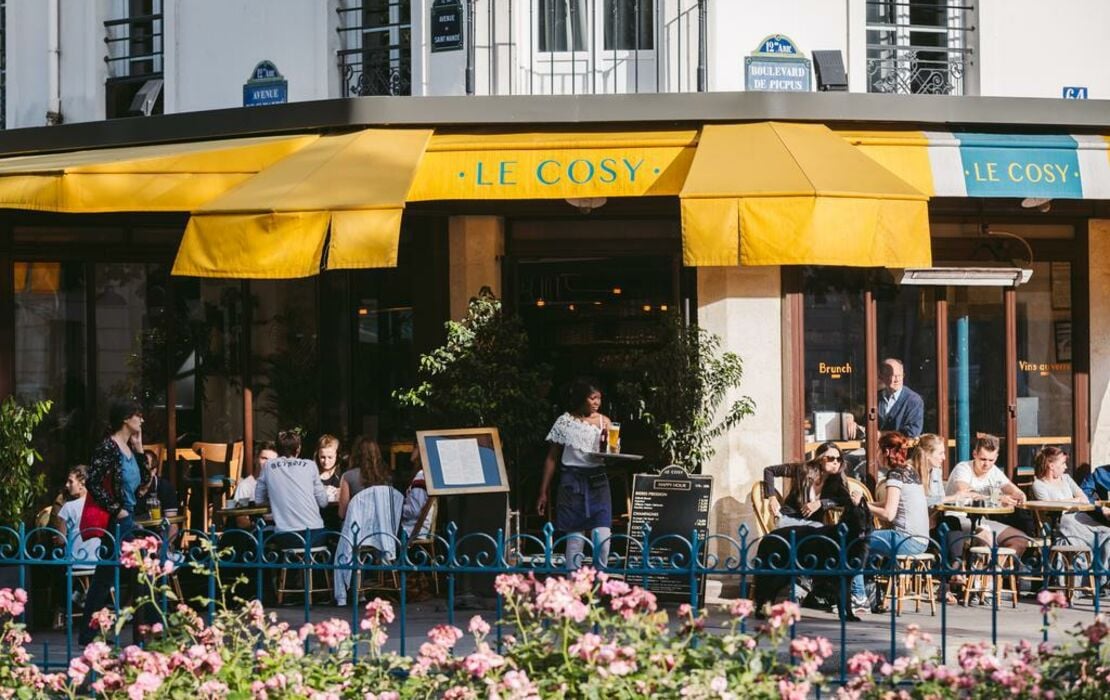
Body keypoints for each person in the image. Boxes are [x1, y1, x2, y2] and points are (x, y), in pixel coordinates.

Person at [78, 398, 150, 644]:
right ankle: (142, 630)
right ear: (125, 419)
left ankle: (91, 633)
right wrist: (115, 508)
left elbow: (144, 482)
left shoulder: (130, 448)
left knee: (108, 574)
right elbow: (93, 482)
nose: (141, 419)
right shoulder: (109, 447)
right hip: (118, 520)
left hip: (128, 515)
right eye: (137, 415)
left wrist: (140, 449)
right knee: (135, 571)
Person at [537, 378, 614, 570]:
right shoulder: (565, 422)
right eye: (592, 398)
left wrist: (613, 451)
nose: (597, 402)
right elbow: (552, 458)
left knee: (603, 540)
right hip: (572, 482)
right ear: (581, 399)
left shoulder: (605, 422)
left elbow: (611, 454)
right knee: (575, 541)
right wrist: (543, 492)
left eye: (599, 398)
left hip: (598, 482)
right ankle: (572, 589)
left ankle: (599, 584)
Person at [851, 460, 931, 616]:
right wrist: (865, 503)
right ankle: (872, 597)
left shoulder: (895, 474)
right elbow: (887, 503)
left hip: (906, 540)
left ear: (886, 452)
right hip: (921, 540)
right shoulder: (911, 472)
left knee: (853, 543)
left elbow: (889, 514)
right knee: (867, 547)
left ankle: (859, 598)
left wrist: (862, 505)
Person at [945, 434, 1029, 559]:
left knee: (1020, 540)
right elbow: (966, 492)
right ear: (974, 454)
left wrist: (1020, 495)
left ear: (996, 457)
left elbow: (1010, 488)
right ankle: (984, 575)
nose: (987, 465)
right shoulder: (963, 468)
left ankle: (995, 573)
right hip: (957, 520)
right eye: (983, 459)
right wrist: (999, 498)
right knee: (986, 538)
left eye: (991, 460)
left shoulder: (993, 471)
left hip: (981, 521)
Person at [1032, 447, 1110, 581]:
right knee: (1071, 533)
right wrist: (1074, 500)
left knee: (1107, 534)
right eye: (1062, 463)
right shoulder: (1039, 485)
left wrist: (1069, 502)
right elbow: (1050, 506)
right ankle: (1081, 580)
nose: (1066, 467)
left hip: (1079, 518)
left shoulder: (1067, 478)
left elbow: (1084, 498)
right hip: (1058, 522)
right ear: (1051, 465)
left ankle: (1100, 580)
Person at [254, 429, 330, 549]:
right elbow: (323, 503)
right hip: (315, 535)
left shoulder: (268, 466)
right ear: (298, 449)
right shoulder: (310, 465)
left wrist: (278, 501)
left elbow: (258, 501)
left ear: (277, 450)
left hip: (288, 536)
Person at [762, 442, 853, 530]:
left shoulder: (837, 480)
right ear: (820, 459)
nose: (836, 462)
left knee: (820, 531)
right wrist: (772, 497)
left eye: (839, 459)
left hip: (812, 524)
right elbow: (769, 471)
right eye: (831, 458)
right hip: (789, 519)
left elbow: (846, 500)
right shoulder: (803, 469)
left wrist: (821, 503)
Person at [56, 466, 101, 568]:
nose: (67, 485)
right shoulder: (100, 505)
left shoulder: (68, 507)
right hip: (98, 560)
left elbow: (61, 539)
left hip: (75, 561)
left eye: (71, 482)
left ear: (82, 483)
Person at [337, 437, 390, 520]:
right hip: (382, 528)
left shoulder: (348, 476)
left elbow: (342, 513)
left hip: (356, 529)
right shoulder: (386, 477)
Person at [135, 449, 180, 541]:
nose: (140, 474)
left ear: (153, 471)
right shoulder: (128, 487)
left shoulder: (164, 487)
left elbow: (171, 522)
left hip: (158, 534)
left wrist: (165, 546)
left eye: (145, 470)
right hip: (132, 534)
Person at [877, 359, 924, 438]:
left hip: (900, 448)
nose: (897, 380)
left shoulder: (913, 400)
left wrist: (882, 434)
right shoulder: (876, 397)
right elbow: (861, 420)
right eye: (892, 375)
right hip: (874, 448)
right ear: (882, 377)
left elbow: (912, 432)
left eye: (899, 375)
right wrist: (850, 417)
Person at [400, 447, 430, 539]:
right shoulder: (423, 474)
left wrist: (398, 509)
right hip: (413, 528)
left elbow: (415, 510)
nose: (412, 450)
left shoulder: (421, 476)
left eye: (415, 447)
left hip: (410, 530)